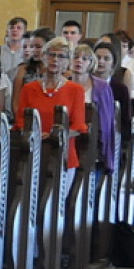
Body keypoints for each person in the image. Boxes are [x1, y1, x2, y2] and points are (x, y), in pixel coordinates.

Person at [15, 38, 87, 194]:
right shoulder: (29, 88)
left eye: (61, 56)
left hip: (63, 155)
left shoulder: (76, 90)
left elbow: (78, 126)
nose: (55, 59)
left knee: (55, 207)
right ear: (43, 57)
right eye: (51, 55)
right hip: (32, 152)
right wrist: (34, 134)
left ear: (68, 61)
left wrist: (56, 135)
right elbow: (20, 121)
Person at [70, 44, 115, 173]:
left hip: (93, 142)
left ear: (91, 63)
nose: (79, 61)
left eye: (85, 58)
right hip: (70, 141)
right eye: (75, 57)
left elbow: (106, 123)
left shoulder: (101, 87)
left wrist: (100, 151)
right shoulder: (63, 84)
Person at [93, 40, 132, 144]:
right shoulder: (86, 85)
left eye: (106, 59)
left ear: (113, 63)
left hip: (111, 139)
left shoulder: (120, 89)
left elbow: (125, 123)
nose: (101, 62)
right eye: (98, 57)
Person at [13, 27, 54, 120]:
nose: (34, 50)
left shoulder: (59, 72)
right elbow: (16, 103)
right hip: (27, 119)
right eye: (32, 46)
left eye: (38, 47)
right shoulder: (23, 69)